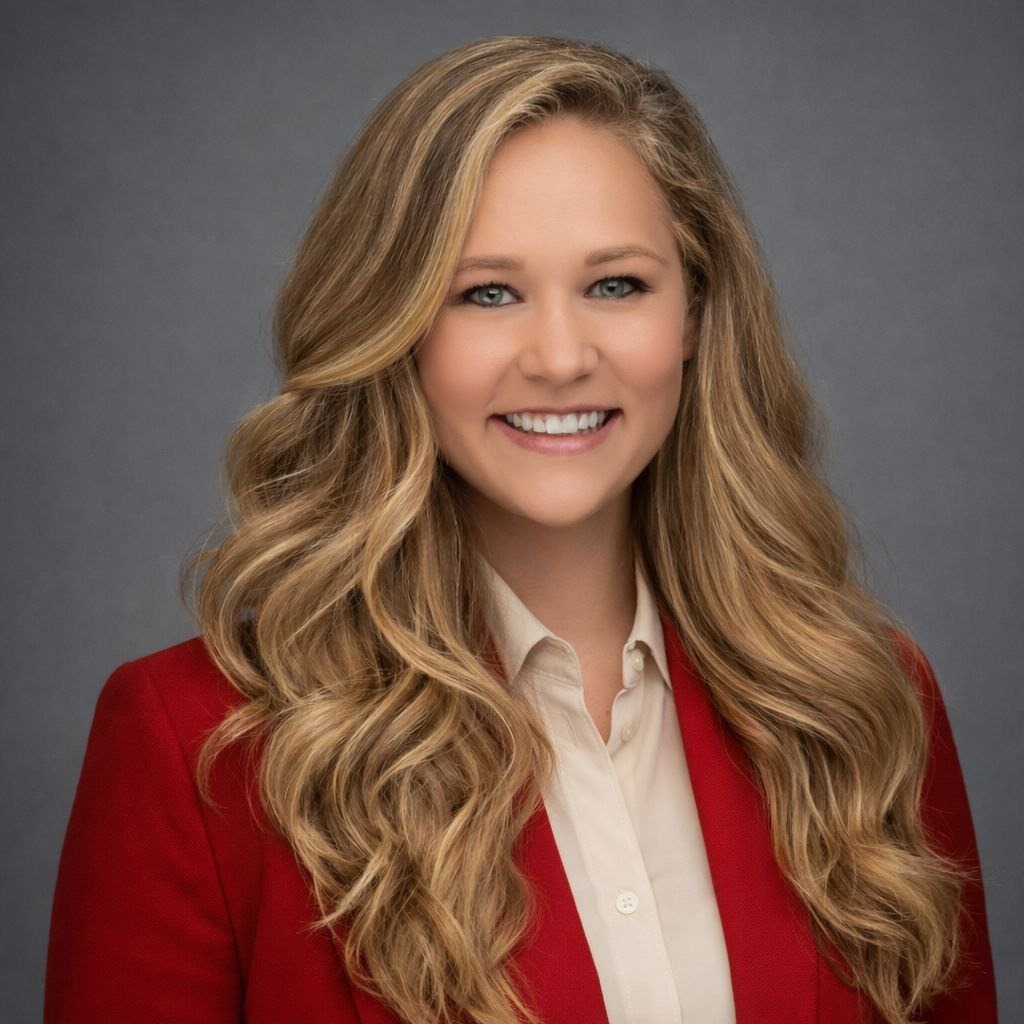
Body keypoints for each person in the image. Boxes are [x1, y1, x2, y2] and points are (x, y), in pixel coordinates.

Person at [44, 34, 997, 1024]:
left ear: (696, 314)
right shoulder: (197, 745)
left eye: (615, 284)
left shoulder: (859, 703)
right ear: (395, 327)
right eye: (486, 292)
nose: (557, 355)